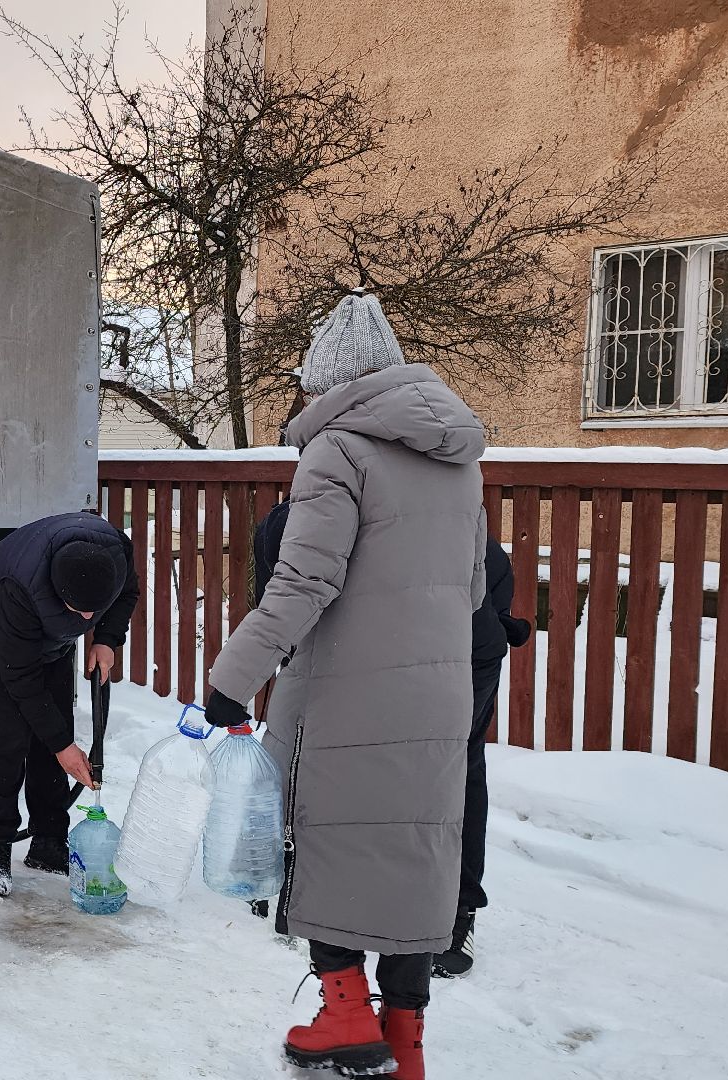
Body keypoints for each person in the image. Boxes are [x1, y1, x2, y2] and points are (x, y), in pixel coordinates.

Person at [204, 291, 487, 1080]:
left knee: (326, 841)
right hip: (437, 696)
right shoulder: (458, 462)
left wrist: (231, 682)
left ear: (330, 381)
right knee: (412, 858)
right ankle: (406, 1044)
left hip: (346, 694)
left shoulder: (337, 451)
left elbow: (301, 584)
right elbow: (469, 591)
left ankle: (345, 1014)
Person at [255, 503, 533, 978]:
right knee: (329, 750)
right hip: (395, 625)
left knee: (448, 769)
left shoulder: (393, 528)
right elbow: (286, 623)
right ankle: (300, 879)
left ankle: (455, 913)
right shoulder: (284, 531)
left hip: (465, 634)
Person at [0, 512, 139, 896]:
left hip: (51, 639)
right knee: (14, 733)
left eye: (95, 609)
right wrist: (62, 746)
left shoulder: (116, 555)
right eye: (80, 610)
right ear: (58, 591)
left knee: (57, 725)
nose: (88, 617)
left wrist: (106, 638)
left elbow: (128, 593)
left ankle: (48, 840)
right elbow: (21, 678)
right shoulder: (19, 587)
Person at [438, 537, 531, 978]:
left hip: (470, 648)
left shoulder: (453, 512)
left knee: (452, 768)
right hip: (419, 645)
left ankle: (457, 915)